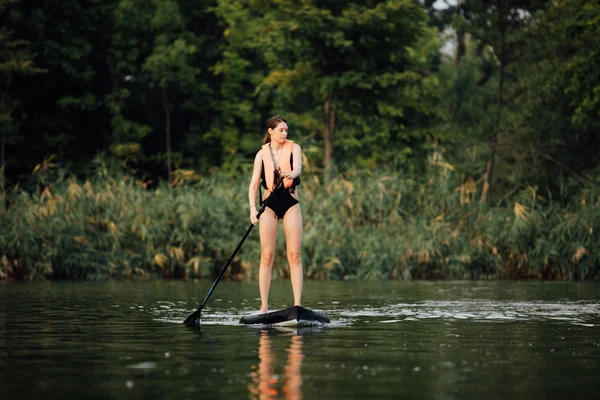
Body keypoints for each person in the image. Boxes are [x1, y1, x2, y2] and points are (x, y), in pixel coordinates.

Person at [248, 116, 303, 314]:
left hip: (290, 203)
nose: (285, 133)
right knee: (267, 255)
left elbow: (297, 168)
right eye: (281, 130)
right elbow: (254, 185)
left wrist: (292, 173)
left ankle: (297, 305)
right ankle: (264, 306)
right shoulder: (261, 155)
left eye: (286, 130)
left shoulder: (294, 148)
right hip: (269, 205)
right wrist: (253, 209)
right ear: (270, 131)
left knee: (294, 255)